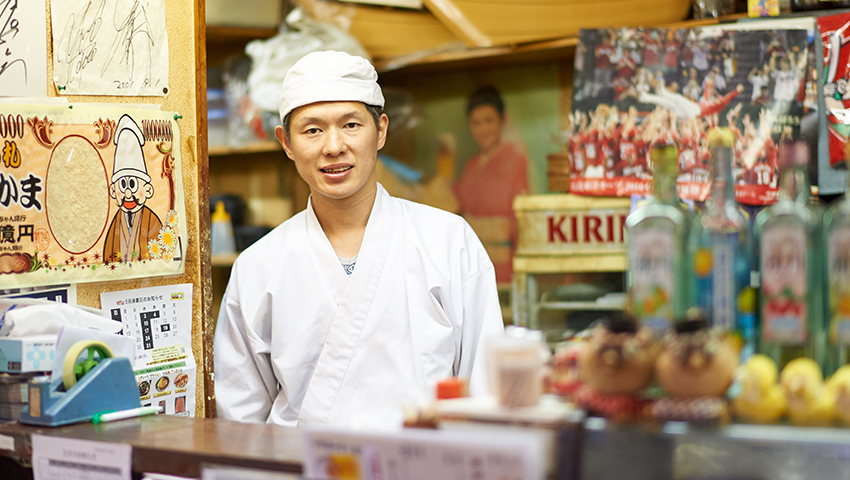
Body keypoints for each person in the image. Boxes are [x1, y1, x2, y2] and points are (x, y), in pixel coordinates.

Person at [214, 51, 504, 427]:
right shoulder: (257, 266)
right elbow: (241, 418)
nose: (333, 146)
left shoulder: (449, 242)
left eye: (351, 125)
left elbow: (484, 389)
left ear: (380, 130)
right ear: (286, 142)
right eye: (312, 130)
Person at [453, 85, 530, 286]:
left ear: (502, 121)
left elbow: (521, 222)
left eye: (489, 121)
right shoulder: (470, 167)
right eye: (476, 123)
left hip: (505, 267)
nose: (483, 129)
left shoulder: (516, 162)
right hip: (471, 265)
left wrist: (520, 269)